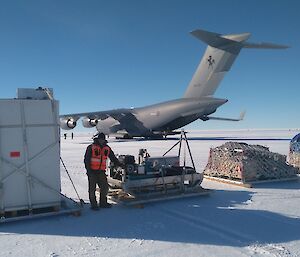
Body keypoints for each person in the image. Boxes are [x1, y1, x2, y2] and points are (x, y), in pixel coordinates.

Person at [84, 132, 123, 210]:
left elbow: (113, 158)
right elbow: (86, 160)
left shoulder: (107, 148)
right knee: (92, 189)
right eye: (100, 139)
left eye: (102, 139)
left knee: (105, 188)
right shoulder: (91, 147)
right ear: (97, 139)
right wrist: (89, 171)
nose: (101, 141)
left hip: (101, 172)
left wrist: (120, 165)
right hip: (92, 171)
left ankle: (103, 203)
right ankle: (94, 205)